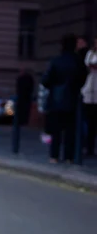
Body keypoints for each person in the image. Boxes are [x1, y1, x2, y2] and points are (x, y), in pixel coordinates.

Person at [42, 33, 86, 164]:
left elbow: (46, 80)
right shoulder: (78, 61)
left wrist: (54, 87)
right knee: (70, 131)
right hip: (72, 99)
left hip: (56, 98)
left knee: (56, 130)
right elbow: (83, 78)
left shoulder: (56, 61)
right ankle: (68, 157)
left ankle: (54, 156)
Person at [81, 37, 97, 156]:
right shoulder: (90, 53)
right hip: (90, 86)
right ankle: (88, 146)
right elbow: (87, 63)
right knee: (89, 120)